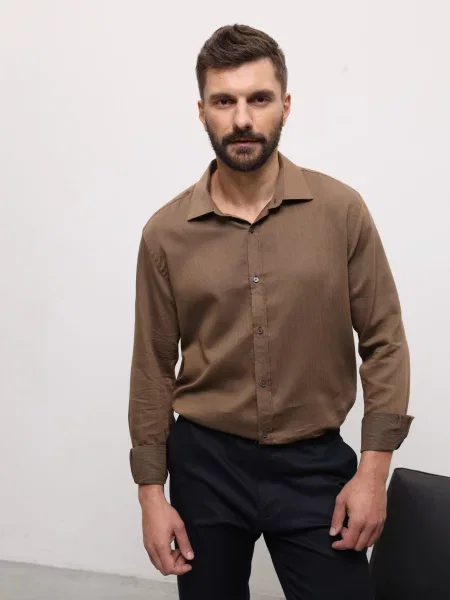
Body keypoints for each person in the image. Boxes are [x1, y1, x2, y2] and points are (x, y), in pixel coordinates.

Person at [128, 23, 414, 600]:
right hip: (206, 466)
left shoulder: (341, 212)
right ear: (202, 112)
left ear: (284, 104)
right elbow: (154, 367)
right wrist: (151, 496)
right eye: (223, 101)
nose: (242, 119)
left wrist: (373, 472)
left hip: (314, 465)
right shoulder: (165, 233)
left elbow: (383, 339)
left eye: (258, 99)